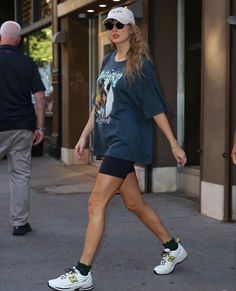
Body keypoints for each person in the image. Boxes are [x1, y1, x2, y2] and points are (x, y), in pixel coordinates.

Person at [48, 7, 188, 291]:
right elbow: (98, 103)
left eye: (119, 25)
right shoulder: (108, 60)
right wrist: (84, 135)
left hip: (126, 141)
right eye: (109, 24)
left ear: (130, 29)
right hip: (109, 139)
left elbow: (156, 108)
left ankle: (82, 271)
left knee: (95, 203)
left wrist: (174, 143)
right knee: (134, 204)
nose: (113, 29)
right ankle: (173, 247)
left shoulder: (140, 64)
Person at [0, 21, 45, 235]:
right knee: (19, 176)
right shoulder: (27, 63)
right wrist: (41, 127)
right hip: (21, 127)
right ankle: (19, 224)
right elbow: (40, 97)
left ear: (1, 37)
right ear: (18, 39)